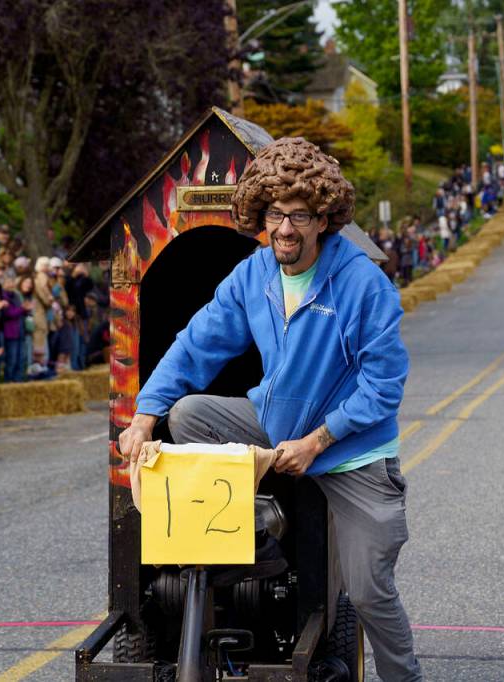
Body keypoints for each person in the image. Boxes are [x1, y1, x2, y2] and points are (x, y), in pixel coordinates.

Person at [118, 137, 422, 682]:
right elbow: (196, 344)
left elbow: (384, 385)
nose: (286, 228)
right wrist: (144, 414)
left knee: (370, 590)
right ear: (261, 215)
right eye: (276, 214)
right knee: (188, 416)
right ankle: (255, 540)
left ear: (324, 218)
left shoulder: (361, 284)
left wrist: (320, 441)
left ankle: (406, 678)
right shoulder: (253, 275)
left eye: (300, 216)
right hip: (276, 422)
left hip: (353, 450)